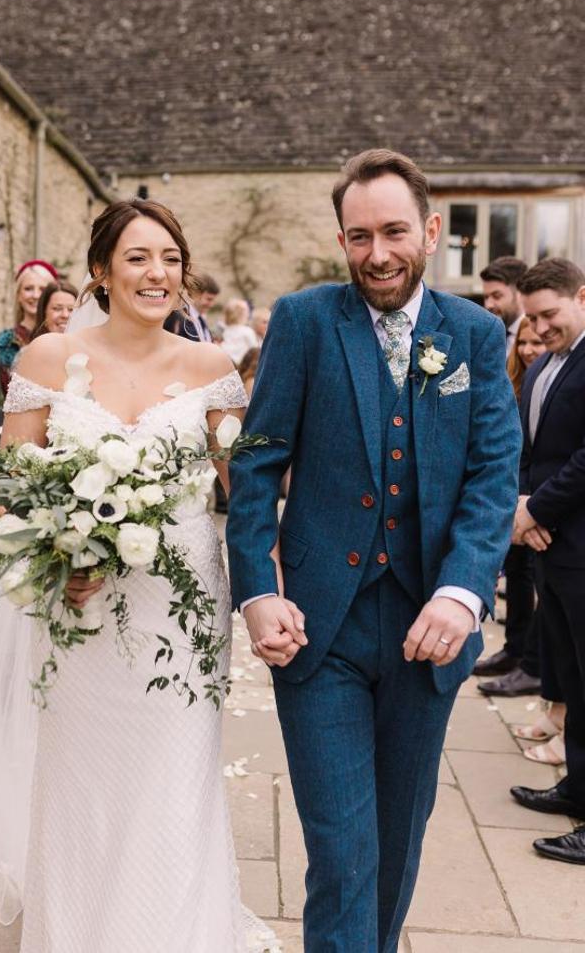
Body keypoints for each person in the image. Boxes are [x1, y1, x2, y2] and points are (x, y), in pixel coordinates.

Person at [227, 149, 521, 953]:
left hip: (430, 633)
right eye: (359, 237)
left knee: (396, 844)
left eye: (394, 232)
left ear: (430, 230)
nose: (378, 253)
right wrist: (257, 591)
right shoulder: (304, 321)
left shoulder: (474, 333)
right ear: (341, 241)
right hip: (320, 630)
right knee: (342, 852)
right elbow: (256, 464)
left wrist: (462, 593)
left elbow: (495, 475)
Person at [0, 199, 276, 951]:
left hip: (183, 606)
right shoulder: (46, 360)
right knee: (84, 770)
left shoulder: (212, 369)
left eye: (170, 258)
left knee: (174, 771)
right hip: (81, 608)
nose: (157, 273)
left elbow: (246, 489)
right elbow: (12, 487)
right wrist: (59, 557)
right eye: (138, 257)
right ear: (101, 271)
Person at [510, 257, 585, 865]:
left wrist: (536, 510)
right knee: (571, 677)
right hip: (550, 549)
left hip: (580, 542)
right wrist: (520, 506)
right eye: (530, 319)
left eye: (549, 315)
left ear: (582, 297)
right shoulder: (542, 367)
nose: (538, 330)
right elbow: (528, 451)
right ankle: (577, 786)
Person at [475, 316, 546, 695]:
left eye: (537, 342)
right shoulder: (517, 381)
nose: (529, 350)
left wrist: (533, 506)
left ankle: (532, 664)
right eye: (524, 343)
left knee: (537, 584)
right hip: (513, 495)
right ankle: (514, 650)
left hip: (540, 503)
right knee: (516, 576)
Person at [0, 260, 57, 397]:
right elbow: (10, 391)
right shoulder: (8, 341)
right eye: (28, 289)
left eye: (42, 289)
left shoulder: (63, 334)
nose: (35, 295)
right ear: (18, 295)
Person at [480, 256, 527, 355]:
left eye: (497, 296)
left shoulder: (539, 337)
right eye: (486, 297)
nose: (488, 305)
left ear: (520, 294)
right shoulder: (487, 337)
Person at [221, 298, 258, 366]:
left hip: (226, 363)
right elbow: (255, 350)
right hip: (241, 365)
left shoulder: (226, 331)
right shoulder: (247, 331)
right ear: (243, 314)